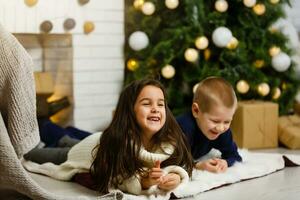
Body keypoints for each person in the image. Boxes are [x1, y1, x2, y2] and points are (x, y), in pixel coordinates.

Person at [23, 79, 194, 195]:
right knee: (30, 154)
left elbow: (181, 165)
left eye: (161, 104)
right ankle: (40, 122)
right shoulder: (119, 141)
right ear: (130, 111)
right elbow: (118, 179)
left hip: (97, 142)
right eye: (147, 103)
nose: (156, 109)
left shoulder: (169, 141)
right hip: (83, 151)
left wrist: (177, 176)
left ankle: (52, 128)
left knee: (66, 138)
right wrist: (145, 182)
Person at [177, 76, 242, 173]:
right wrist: (197, 165)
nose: (220, 128)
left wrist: (225, 162)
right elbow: (172, 160)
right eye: (215, 121)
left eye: (227, 122)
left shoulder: (223, 131)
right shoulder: (184, 127)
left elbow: (234, 156)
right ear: (196, 111)